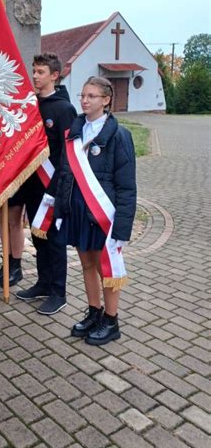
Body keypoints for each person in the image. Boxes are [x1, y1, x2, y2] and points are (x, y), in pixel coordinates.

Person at [53, 76, 136, 345]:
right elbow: (66, 175)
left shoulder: (120, 136)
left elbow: (126, 187)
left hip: (103, 216)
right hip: (78, 213)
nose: (85, 100)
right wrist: (60, 209)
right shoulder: (74, 133)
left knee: (106, 267)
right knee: (87, 264)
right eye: (83, 95)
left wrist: (122, 227)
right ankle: (94, 312)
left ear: (106, 100)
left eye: (92, 96)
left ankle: (111, 321)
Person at [15, 53, 77, 315]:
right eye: (34, 71)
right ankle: (42, 283)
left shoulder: (64, 109)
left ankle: (58, 292)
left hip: (52, 186)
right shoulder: (30, 105)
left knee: (54, 240)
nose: (35, 76)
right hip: (32, 183)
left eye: (41, 72)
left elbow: (68, 153)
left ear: (54, 75)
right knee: (37, 236)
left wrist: (59, 188)